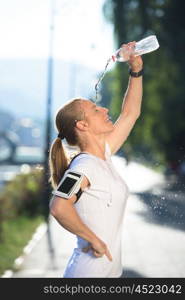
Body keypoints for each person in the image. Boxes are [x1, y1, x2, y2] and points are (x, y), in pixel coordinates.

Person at [49, 42, 143, 278]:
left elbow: (130, 113)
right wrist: (93, 240)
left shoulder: (104, 156)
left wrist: (136, 69)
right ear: (82, 125)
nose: (105, 110)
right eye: (95, 110)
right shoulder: (83, 166)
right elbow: (59, 207)